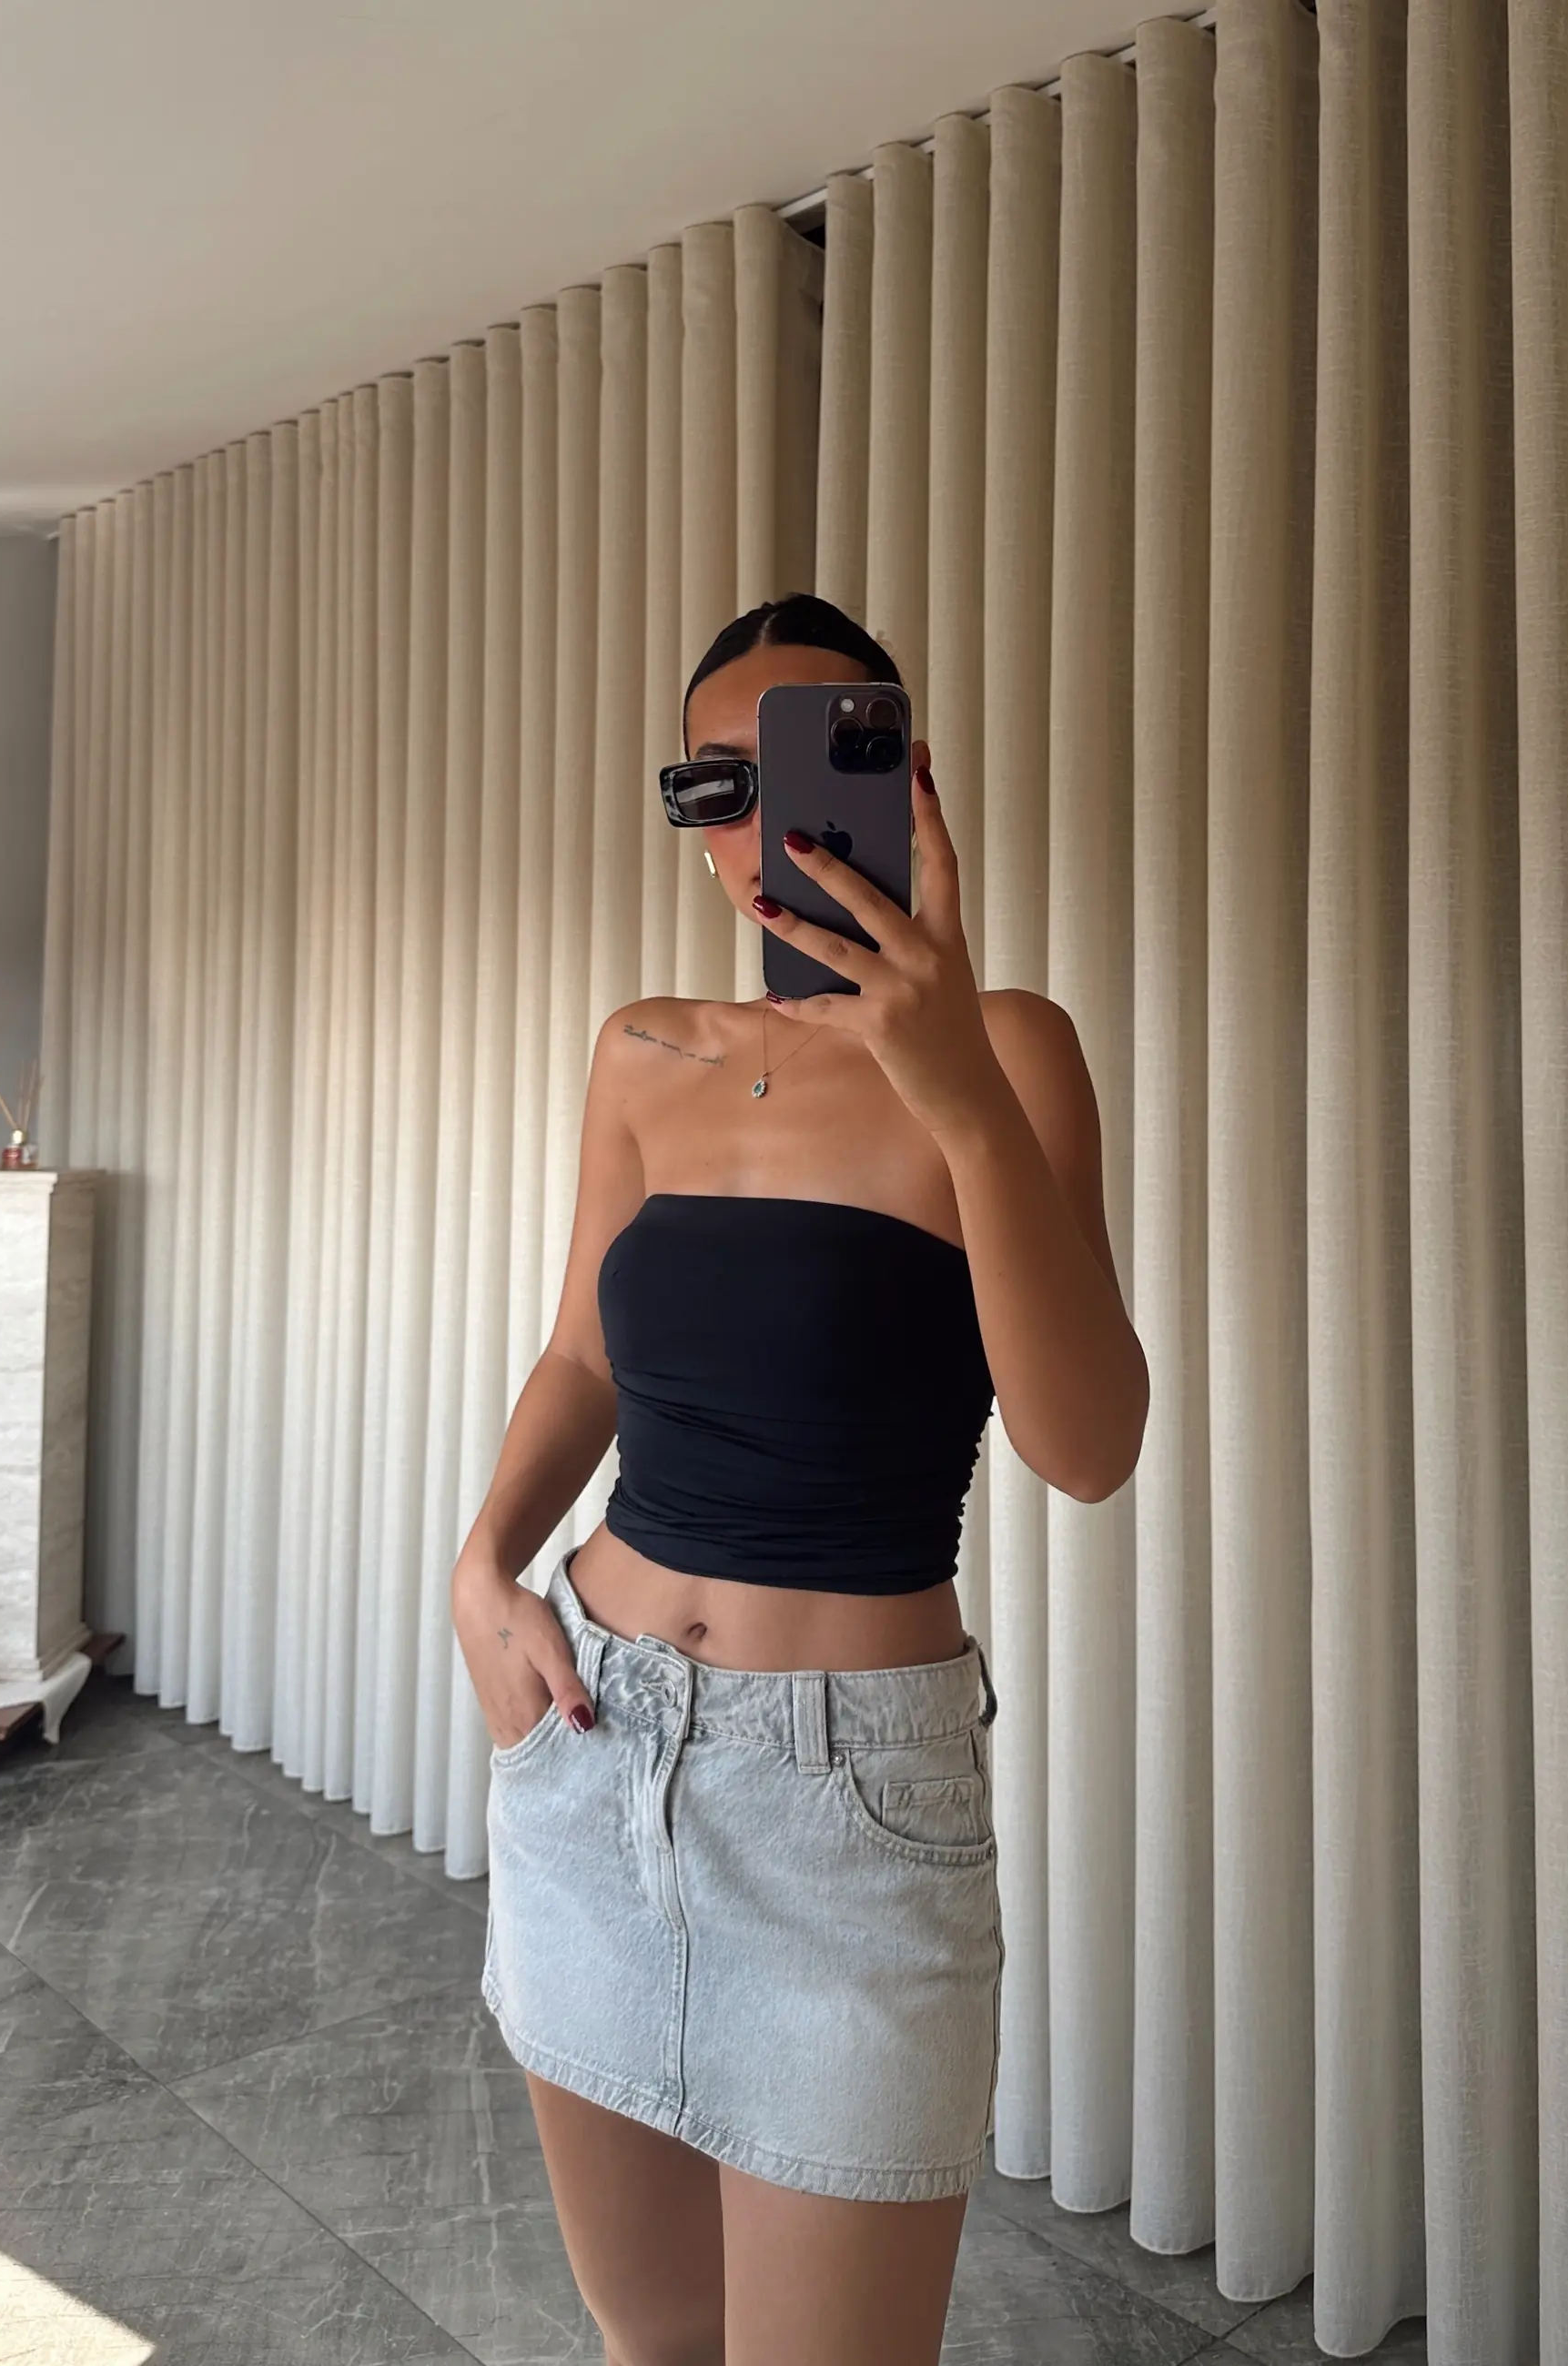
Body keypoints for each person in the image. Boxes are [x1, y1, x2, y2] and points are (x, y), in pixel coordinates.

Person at [451, 593, 1148, 2366]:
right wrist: (481, 1565)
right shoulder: (644, 1050)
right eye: (713, 783)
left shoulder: (1012, 1047)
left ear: (905, 787)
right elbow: (584, 1359)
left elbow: (1088, 1446)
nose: (756, 825)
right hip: (591, 1755)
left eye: (805, 766)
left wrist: (956, 1093)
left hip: (850, 1810)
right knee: (651, 2340)